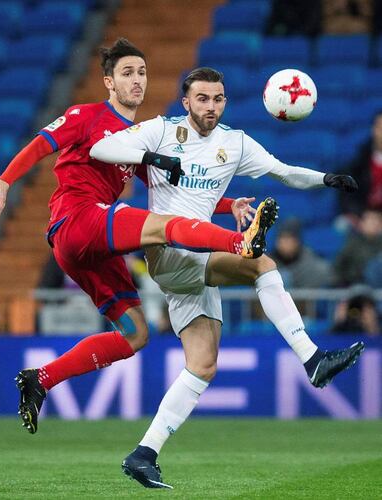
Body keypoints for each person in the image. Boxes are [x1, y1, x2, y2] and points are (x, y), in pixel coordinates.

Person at [0, 41, 276, 435]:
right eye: (128, 73)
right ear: (109, 82)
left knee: (136, 333)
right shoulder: (86, 115)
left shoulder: (138, 136)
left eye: (142, 73)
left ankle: (41, 379)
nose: (137, 80)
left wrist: (232, 204)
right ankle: (240, 244)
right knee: (161, 225)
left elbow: (174, 192)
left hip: (88, 248)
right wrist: (4, 181)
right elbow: (39, 145)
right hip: (77, 219)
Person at [90, 67, 365, 489]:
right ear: (186, 102)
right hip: (168, 251)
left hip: (195, 264)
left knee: (202, 366)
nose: (211, 107)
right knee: (261, 265)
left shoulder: (233, 144)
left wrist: (326, 180)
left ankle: (143, 454)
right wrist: (149, 156)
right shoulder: (161, 132)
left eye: (218, 99)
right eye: (202, 99)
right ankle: (312, 358)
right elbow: (101, 148)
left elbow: (283, 170)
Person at [339, 111, 382, 220]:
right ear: (373, 130)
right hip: (362, 217)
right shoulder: (359, 161)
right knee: (342, 224)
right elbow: (347, 196)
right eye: (380, 128)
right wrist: (362, 215)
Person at [271, 217, 334, 288]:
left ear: (298, 241)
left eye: (289, 238)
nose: (284, 243)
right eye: (281, 238)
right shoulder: (267, 264)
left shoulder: (316, 266)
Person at [334, 208, 382, 286]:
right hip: (354, 285)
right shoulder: (352, 243)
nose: (373, 224)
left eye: (376, 221)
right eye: (370, 221)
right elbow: (338, 266)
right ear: (362, 223)